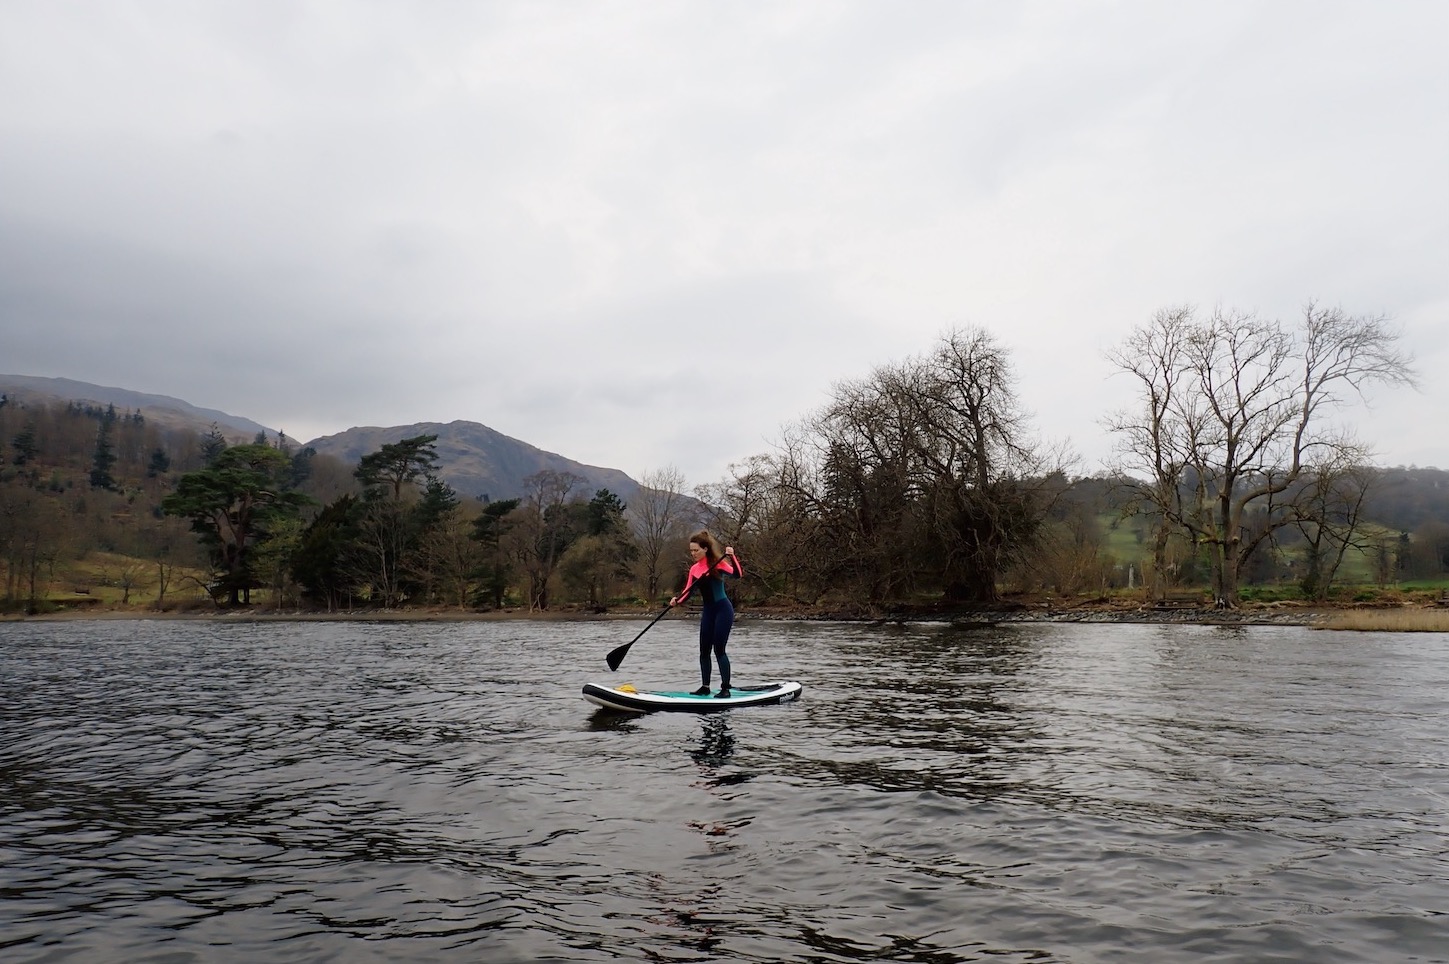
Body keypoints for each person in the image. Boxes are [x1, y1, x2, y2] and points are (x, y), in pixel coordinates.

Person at [669, 529, 742, 698]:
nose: (693, 553)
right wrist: (677, 601)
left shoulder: (719, 563)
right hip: (708, 611)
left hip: (723, 610)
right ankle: (705, 686)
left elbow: (738, 575)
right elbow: (687, 592)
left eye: (696, 550)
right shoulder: (694, 570)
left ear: (705, 549)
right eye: (691, 551)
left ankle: (725, 689)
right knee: (704, 651)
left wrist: (732, 556)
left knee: (719, 650)